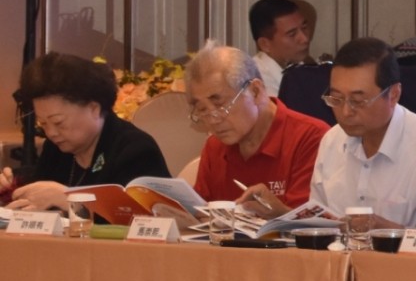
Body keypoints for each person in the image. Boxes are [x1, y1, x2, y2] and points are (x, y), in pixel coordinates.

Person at [309, 37, 416, 230]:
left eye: (358, 101)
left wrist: (390, 233)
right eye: (336, 99)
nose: (345, 112)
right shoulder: (331, 141)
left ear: (393, 94)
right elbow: (318, 223)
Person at [4, 53, 169, 210]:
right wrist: (12, 185)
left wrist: (68, 198)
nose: (51, 133)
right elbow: (38, 191)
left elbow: (139, 216)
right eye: (43, 123)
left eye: (58, 122)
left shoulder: (135, 149)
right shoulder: (55, 149)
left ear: (94, 109)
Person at [184, 44, 327, 208]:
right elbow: (201, 214)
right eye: (202, 110)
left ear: (255, 91)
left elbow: (310, 220)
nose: (213, 120)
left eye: (220, 105)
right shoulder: (215, 146)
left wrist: (276, 210)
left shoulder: (310, 138)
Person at [248, 0, 311, 98]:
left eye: (304, 28)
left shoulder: (302, 68)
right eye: (292, 34)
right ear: (265, 44)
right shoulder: (258, 85)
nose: (305, 39)